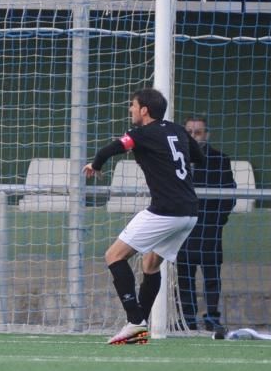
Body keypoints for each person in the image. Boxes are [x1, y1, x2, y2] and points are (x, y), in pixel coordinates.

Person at [83, 87, 205, 345]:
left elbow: (111, 149)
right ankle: (140, 327)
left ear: (144, 110)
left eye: (133, 105)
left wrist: (95, 165)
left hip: (165, 211)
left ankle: (135, 321)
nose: (130, 109)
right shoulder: (178, 130)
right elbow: (200, 157)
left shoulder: (139, 134)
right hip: (189, 212)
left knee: (114, 255)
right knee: (150, 265)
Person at [177, 116, 236, 337]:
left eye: (198, 132)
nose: (193, 136)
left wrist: (217, 221)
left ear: (206, 134)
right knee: (184, 277)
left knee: (212, 276)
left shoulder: (220, 160)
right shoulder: (175, 158)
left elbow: (229, 194)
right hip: (182, 229)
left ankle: (212, 318)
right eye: (189, 132)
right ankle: (188, 319)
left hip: (209, 228)